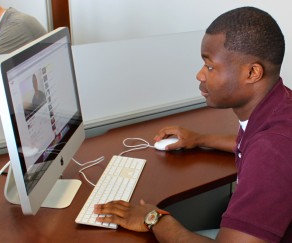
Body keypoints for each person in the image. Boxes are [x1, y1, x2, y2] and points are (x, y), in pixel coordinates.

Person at [94, 6, 292, 242]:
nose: (200, 75)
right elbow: (251, 143)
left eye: (210, 66)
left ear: (252, 73)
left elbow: (266, 152)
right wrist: (199, 139)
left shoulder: (272, 150)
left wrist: (154, 219)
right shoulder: (279, 105)